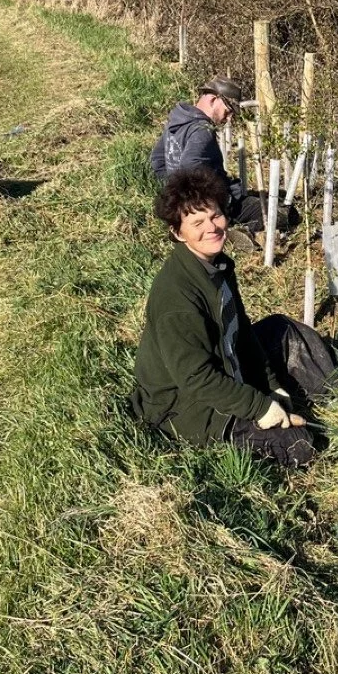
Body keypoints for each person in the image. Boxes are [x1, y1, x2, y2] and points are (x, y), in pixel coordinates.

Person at [131, 167, 319, 468]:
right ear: (178, 233)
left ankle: (329, 395)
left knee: (283, 329)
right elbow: (195, 378)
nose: (212, 227)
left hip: (222, 366)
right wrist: (259, 407)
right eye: (197, 222)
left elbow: (241, 330)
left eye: (215, 215)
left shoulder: (217, 266)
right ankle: (276, 426)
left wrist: (272, 385)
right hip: (182, 402)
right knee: (298, 445)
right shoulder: (177, 298)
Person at [149, 76, 297, 246]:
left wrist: (174, 198)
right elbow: (189, 167)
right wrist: (218, 201)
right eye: (228, 111)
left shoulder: (176, 122)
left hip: (186, 204)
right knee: (285, 214)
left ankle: (205, 226)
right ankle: (237, 232)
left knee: (272, 197)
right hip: (215, 203)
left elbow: (157, 160)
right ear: (213, 99)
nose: (229, 119)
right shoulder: (202, 130)